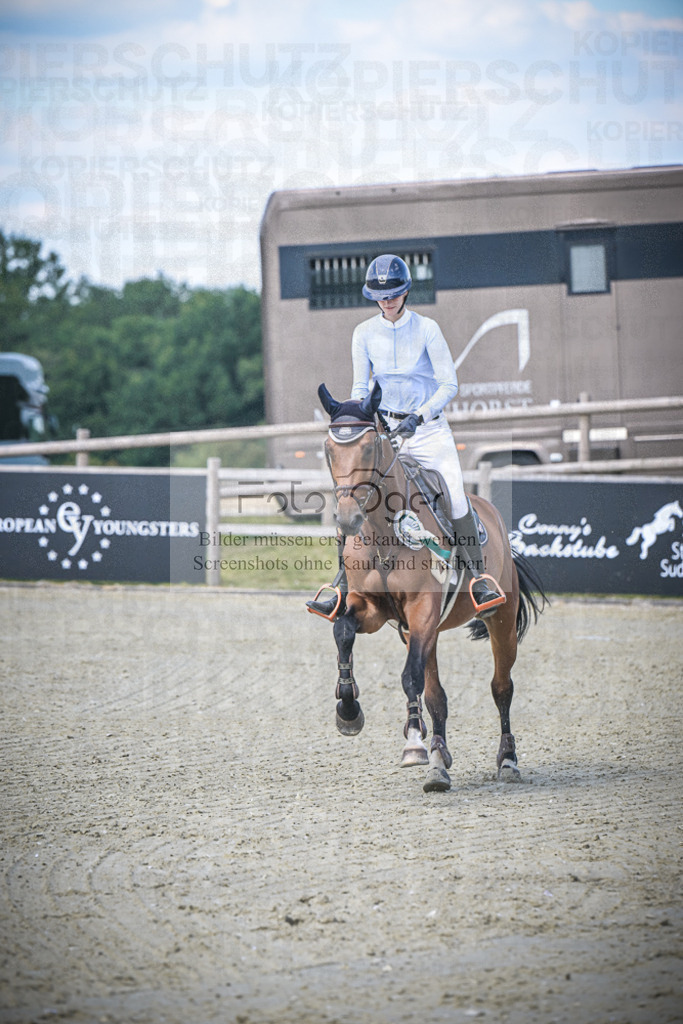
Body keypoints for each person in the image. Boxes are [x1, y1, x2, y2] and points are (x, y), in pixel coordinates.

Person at [307, 253, 505, 621]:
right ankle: (342, 582)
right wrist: (358, 418)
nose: (387, 300)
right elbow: (359, 386)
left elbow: (449, 383)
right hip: (385, 433)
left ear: (406, 291)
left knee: (456, 495)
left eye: (393, 293)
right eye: (380, 296)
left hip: (427, 430)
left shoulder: (427, 329)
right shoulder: (363, 333)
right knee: (358, 496)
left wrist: (421, 415)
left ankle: (479, 577)